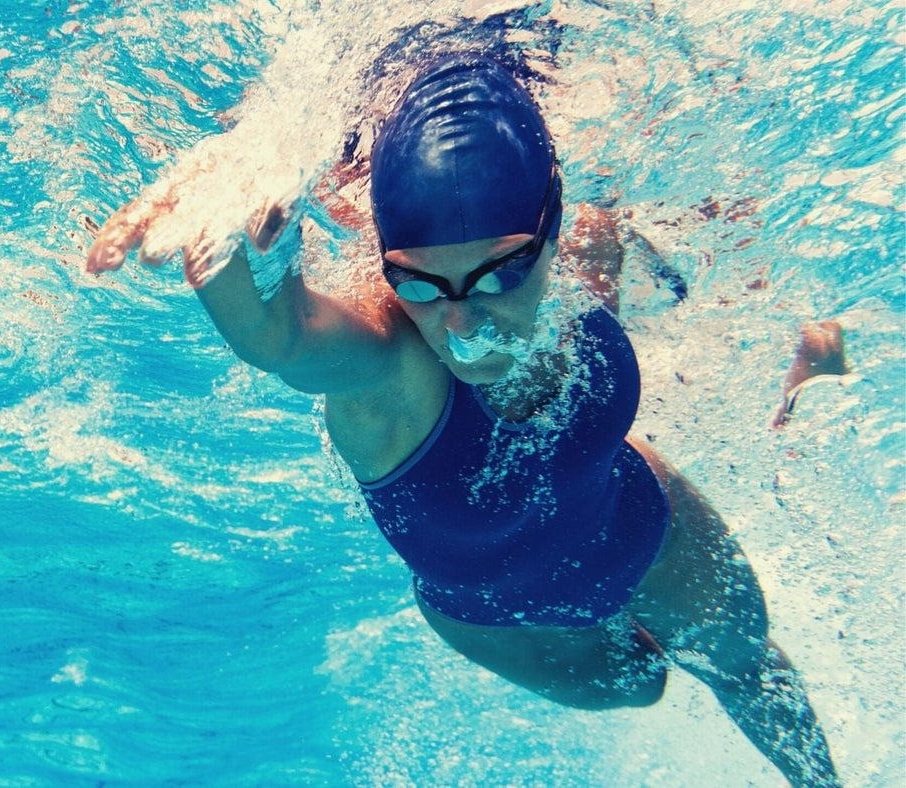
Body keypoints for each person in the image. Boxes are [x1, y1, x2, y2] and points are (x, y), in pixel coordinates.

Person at [87, 52, 839, 786]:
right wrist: (228, 210)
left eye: (502, 273)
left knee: (746, 665)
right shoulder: (392, 368)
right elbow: (280, 335)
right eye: (418, 283)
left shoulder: (582, 255)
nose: (461, 319)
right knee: (639, 681)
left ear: (551, 234)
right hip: (497, 616)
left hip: (638, 523)